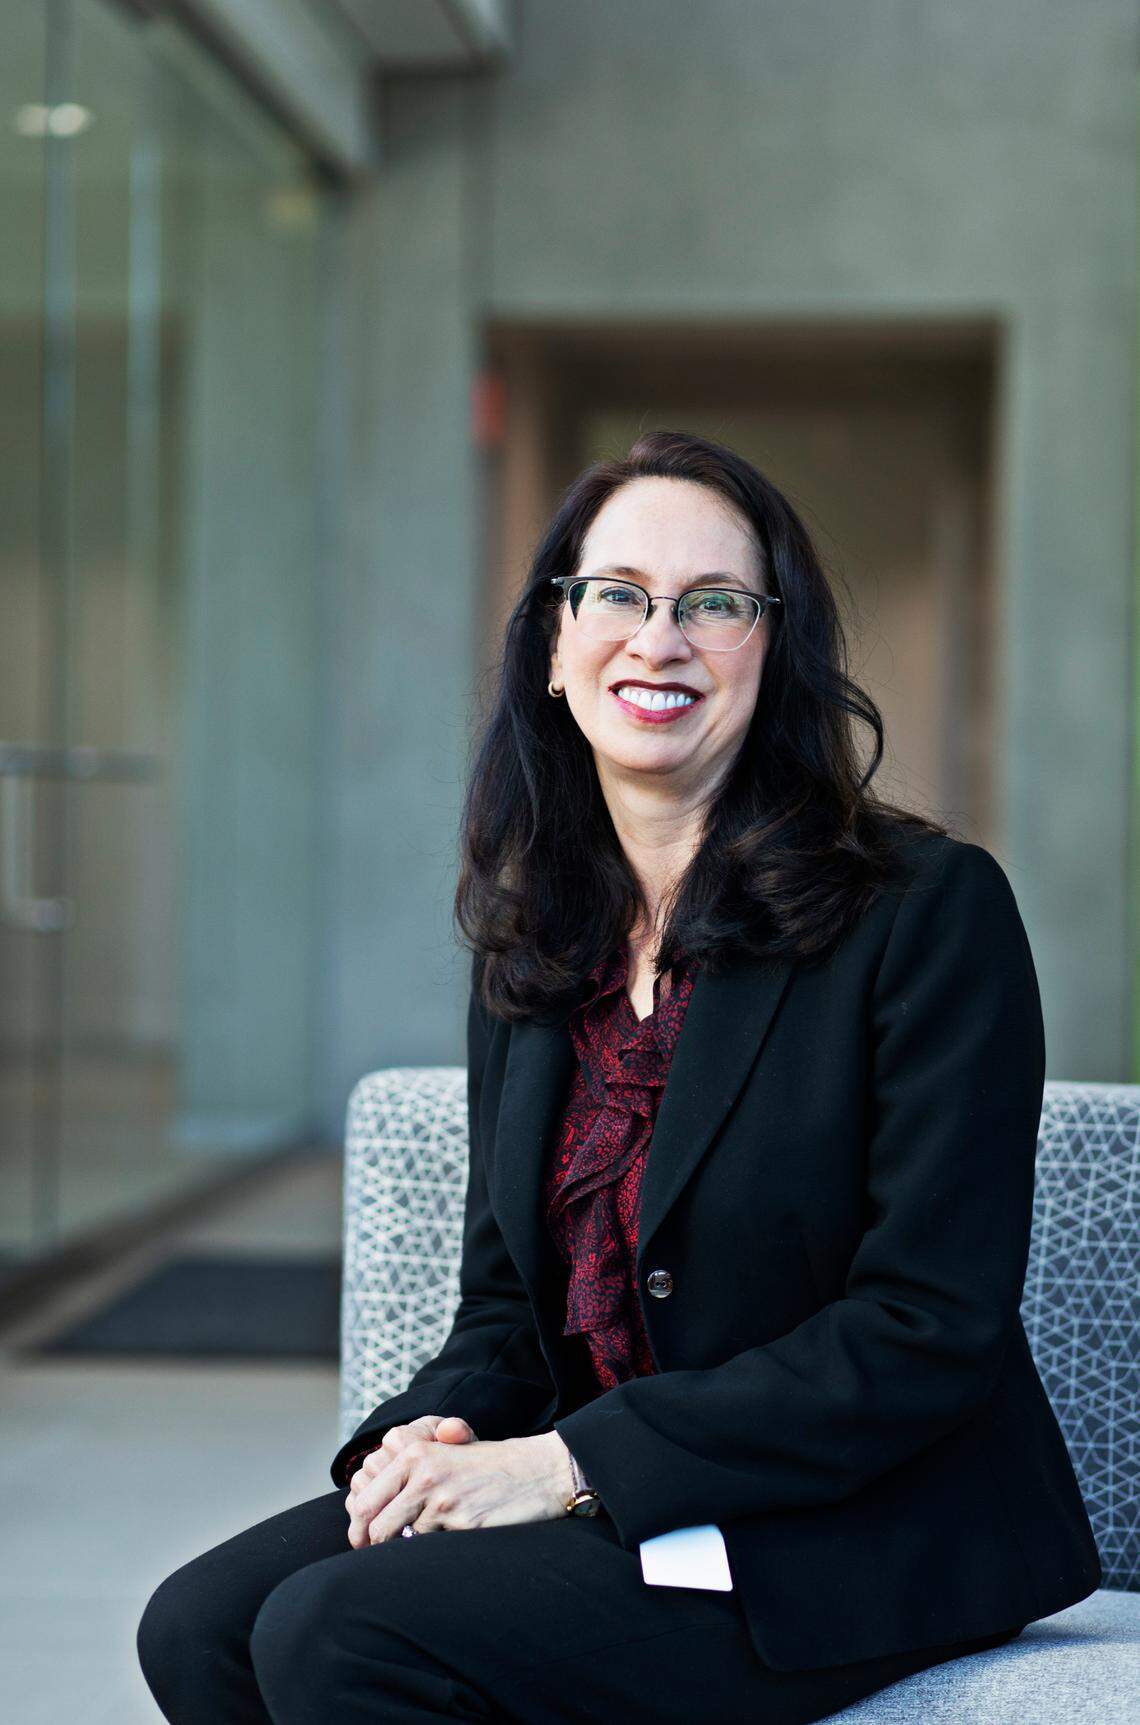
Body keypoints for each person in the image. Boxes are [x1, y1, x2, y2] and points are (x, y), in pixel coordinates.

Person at [137, 430, 1101, 1724]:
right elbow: (501, 1311)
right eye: (619, 594)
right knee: (198, 1626)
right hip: (627, 1502)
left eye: (716, 603)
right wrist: (434, 1435)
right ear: (554, 643)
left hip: (845, 1521)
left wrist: (572, 1466)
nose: (663, 637)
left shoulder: (926, 914)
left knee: (336, 1632)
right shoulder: (539, 938)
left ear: (777, 648)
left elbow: (925, 1330)